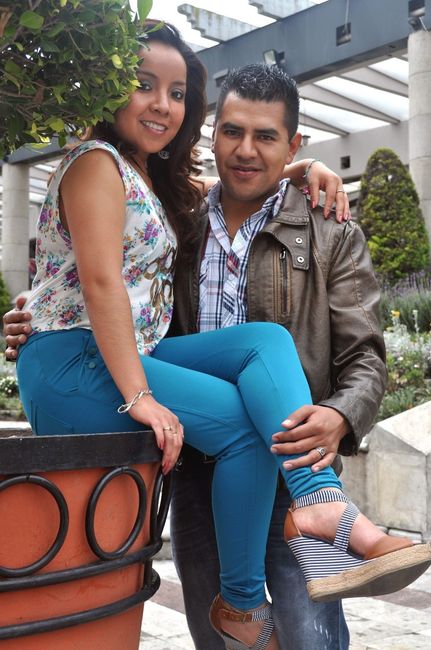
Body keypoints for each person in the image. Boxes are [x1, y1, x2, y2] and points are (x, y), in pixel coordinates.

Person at [4, 27, 431, 650]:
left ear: (291, 143)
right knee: (240, 436)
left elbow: (365, 356)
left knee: (266, 341)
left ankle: (320, 503)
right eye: (144, 85)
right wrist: (132, 391)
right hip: (121, 389)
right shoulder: (125, 178)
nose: (162, 104)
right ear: (214, 134)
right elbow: (98, 281)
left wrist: (341, 416)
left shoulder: (181, 191)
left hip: (278, 445)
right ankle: (245, 601)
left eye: (177, 93)